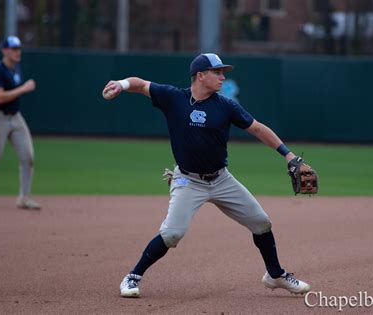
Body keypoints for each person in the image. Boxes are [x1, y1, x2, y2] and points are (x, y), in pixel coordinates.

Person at [102, 53, 311, 298]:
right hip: (188, 180)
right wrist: (121, 84)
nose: (223, 77)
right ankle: (133, 276)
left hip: (221, 179)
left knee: (261, 222)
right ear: (200, 75)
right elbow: (140, 83)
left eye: (223, 72)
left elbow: (257, 128)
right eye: (217, 72)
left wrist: (289, 156)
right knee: (171, 234)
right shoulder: (173, 97)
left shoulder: (226, 105)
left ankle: (275, 275)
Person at [0, 36, 41, 210]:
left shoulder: (15, 69)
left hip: (15, 117)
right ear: (4, 51)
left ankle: (24, 197)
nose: (17, 52)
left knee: (28, 157)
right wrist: (23, 89)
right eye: (14, 49)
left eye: (19, 49)